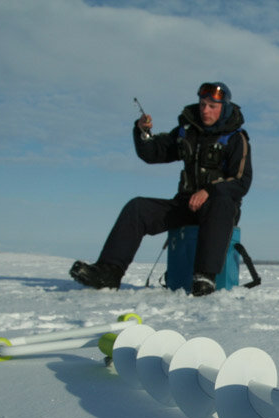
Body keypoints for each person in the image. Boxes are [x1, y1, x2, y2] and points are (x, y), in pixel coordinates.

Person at [70, 82, 252, 295]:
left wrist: (209, 191)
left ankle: (205, 278)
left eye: (212, 106)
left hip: (217, 210)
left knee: (221, 204)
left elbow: (241, 181)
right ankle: (109, 272)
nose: (205, 110)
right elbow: (154, 153)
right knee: (138, 208)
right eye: (203, 104)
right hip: (185, 205)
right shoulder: (186, 132)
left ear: (224, 107)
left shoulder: (236, 138)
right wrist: (142, 133)